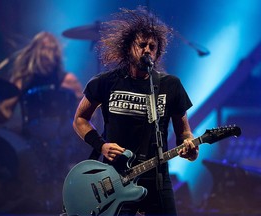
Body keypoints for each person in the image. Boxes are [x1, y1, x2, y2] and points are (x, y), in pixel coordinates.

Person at [72, 7, 199, 216]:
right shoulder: (105, 82)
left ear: (158, 52)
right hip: (115, 178)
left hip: (157, 179)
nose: (147, 50)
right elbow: (80, 119)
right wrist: (101, 146)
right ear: (128, 47)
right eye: (142, 45)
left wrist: (189, 147)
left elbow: (184, 132)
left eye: (152, 46)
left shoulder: (170, 85)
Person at [0, 31, 85, 213]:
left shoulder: (67, 80)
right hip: (31, 144)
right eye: (44, 49)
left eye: (51, 49)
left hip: (64, 143)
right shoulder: (22, 79)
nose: (48, 53)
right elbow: (3, 115)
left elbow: (86, 111)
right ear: (35, 52)